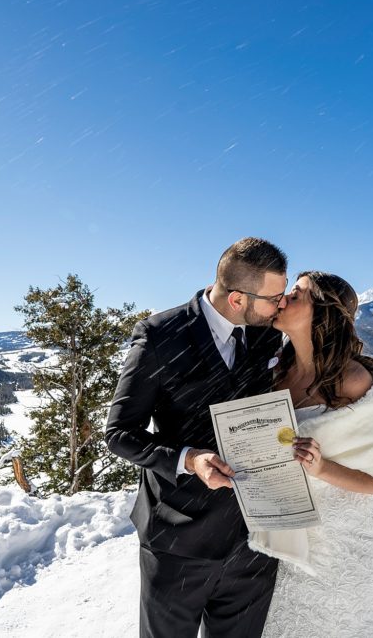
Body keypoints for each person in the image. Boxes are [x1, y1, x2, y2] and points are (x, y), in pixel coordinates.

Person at [105, 237, 289, 638]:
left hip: (254, 541)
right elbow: (119, 434)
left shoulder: (267, 334)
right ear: (238, 298)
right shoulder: (159, 336)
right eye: (275, 297)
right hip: (178, 539)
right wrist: (189, 459)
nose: (282, 305)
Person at [251, 270, 373, 637]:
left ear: (322, 313)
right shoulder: (275, 371)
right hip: (285, 538)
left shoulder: (353, 382)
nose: (283, 300)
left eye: (297, 295)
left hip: (344, 546)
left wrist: (320, 468)